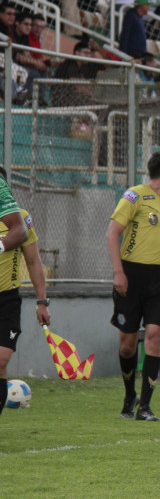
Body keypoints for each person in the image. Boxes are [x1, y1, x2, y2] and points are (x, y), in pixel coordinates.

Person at [105, 152, 160, 422]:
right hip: (131, 277)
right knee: (128, 345)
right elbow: (112, 233)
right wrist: (119, 272)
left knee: (154, 335)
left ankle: (146, 407)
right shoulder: (134, 196)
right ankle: (130, 397)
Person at [0, 166, 47, 418]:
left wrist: (42, 301)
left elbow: (33, 262)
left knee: (1, 361)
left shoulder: (21, 219)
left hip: (6, 299)